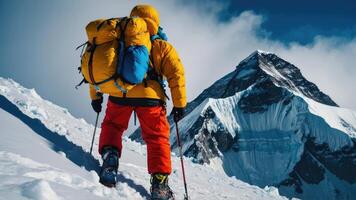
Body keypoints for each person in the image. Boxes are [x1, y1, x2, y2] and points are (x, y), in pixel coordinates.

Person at [89, 4, 187, 199]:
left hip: (120, 94)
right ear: (155, 22)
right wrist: (179, 104)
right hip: (151, 99)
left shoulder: (119, 41)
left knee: (113, 126)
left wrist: (96, 96)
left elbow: (101, 68)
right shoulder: (162, 46)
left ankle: (110, 159)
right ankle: (160, 185)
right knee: (157, 138)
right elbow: (176, 75)